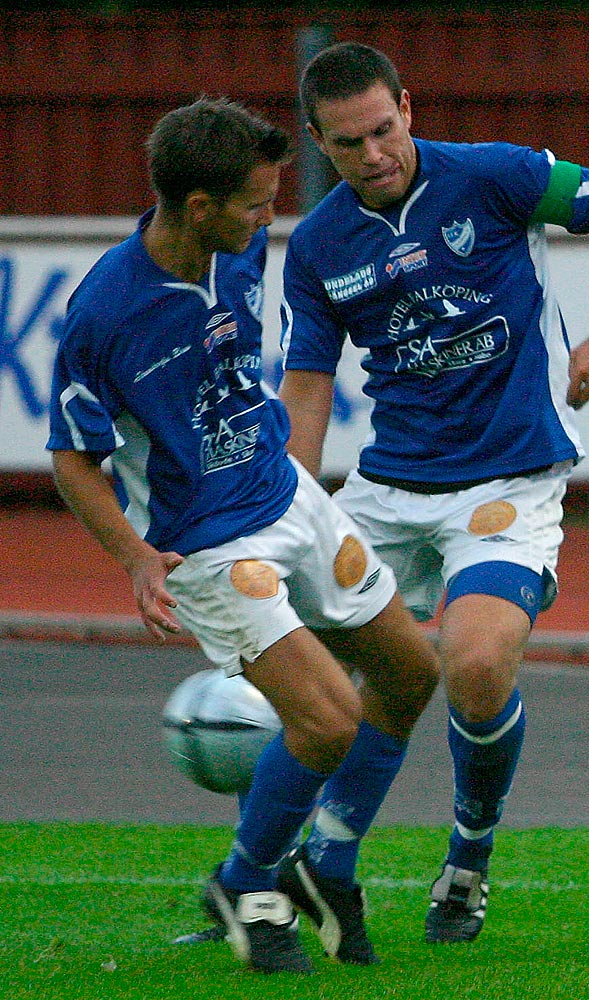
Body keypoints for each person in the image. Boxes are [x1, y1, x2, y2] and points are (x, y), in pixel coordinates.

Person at [46, 97, 440, 974]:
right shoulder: (105, 314)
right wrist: (138, 558)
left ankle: (321, 858)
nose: (271, 218)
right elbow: (74, 461)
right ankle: (246, 880)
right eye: (257, 204)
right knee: (329, 720)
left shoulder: (240, 246)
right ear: (198, 208)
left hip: (286, 492)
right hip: (207, 543)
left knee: (413, 671)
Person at [277, 42, 589, 943]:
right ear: (320, 146)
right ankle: (272, 873)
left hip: (507, 479)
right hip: (385, 487)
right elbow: (308, 383)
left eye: (383, 130)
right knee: (303, 678)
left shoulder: (492, 176)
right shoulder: (320, 244)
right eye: (348, 143)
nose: (374, 154)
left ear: (407, 107)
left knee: (476, 665)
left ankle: (468, 856)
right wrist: (286, 507)